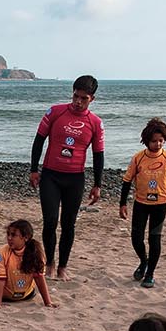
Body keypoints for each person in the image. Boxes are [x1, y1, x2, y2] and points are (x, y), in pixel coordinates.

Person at [29, 75, 105, 280]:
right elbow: (38, 141)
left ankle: (63, 267)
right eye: (75, 96)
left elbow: (99, 155)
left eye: (84, 99)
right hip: (51, 176)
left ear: (92, 99)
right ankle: (50, 263)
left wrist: (97, 184)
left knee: (68, 223)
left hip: (75, 179)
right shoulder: (55, 112)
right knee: (50, 221)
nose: (78, 102)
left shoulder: (95, 123)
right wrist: (34, 169)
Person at [118, 117, 166, 288]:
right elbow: (127, 181)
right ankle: (143, 261)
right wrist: (122, 204)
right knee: (136, 238)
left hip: (160, 205)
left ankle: (150, 273)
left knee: (155, 240)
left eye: (161, 140)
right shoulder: (138, 158)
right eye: (154, 141)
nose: (158, 144)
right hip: (141, 203)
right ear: (146, 141)